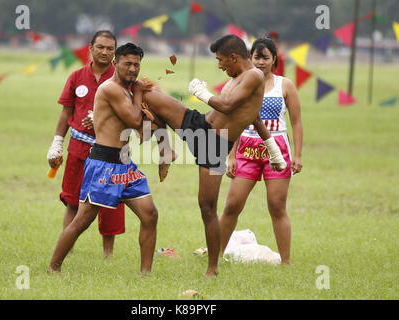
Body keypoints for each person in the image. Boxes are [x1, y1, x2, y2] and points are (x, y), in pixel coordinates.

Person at [140, 34, 286, 277]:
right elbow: (253, 116)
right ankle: (166, 151)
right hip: (200, 126)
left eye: (221, 61)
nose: (220, 66)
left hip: (214, 145)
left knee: (207, 207)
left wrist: (201, 92)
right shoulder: (240, 78)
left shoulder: (254, 75)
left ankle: (213, 268)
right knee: (149, 97)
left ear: (233, 57)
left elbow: (229, 108)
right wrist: (273, 148)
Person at [49, 43, 159, 274]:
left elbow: (143, 130)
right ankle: (54, 267)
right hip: (103, 164)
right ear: (115, 63)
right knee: (82, 220)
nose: (132, 69)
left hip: (125, 164)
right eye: (127, 63)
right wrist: (140, 93)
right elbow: (133, 119)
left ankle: (146, 274)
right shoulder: (112, 89)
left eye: (136, 65)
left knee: (150, 214)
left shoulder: (129, 89)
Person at [219, 37, 303, 265]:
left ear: (274, 59)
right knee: (232, 204)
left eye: (265, 57)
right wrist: (231, 156)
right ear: (250, 58)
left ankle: (285, 262)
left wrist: (297, 155)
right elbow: (234, 119)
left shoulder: (285, 85)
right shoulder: (241, 83)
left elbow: (296, 122)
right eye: (256, 57)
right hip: (247, 148)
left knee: (277, 206)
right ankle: (215, 256)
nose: (261, 62)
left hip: (276, 151)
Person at [46, 31, 125, 257]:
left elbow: (131, 113)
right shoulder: (77, 76)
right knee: (73, 200)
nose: (105, 52)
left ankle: (108, 255)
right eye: (100, 47)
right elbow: (66, 112)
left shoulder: (122, 78)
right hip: (79, 148)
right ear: (90, 48)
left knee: (110, 202)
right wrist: (57, 142)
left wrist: (104, 118)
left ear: (115, 52)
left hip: (111, 151)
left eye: (110, 48)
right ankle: (67, 248)